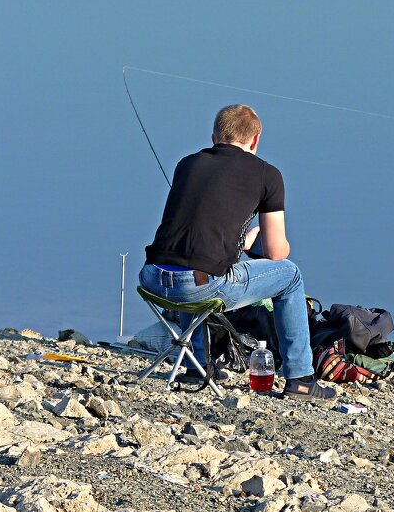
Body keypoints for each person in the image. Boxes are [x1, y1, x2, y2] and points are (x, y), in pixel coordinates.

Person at [140, 104, 335, 402]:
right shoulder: (268, 175)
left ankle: (199, 366)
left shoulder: (187, 163)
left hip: (152, 278)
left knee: (193, 261)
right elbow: (276, 251)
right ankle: (300, 378)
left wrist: (241, 239)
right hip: (198, 286)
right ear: (255, 141)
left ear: (214, 136)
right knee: (291, 277)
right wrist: (256, 236)